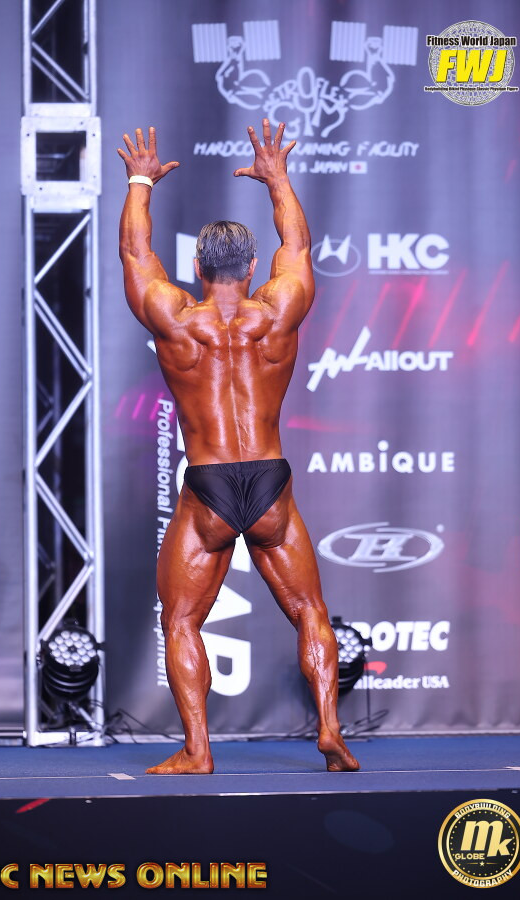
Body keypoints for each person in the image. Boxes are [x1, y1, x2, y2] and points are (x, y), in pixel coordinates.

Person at [117, 119, 360, 775]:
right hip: (271, 481)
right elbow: (297, 243)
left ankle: (198, 751)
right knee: (310, 610)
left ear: (196, 268)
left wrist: (140, 181)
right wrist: (277, 176)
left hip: (210, 486)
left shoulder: (175, 319)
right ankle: (331, 731)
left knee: (181, 621)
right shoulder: (278, 310)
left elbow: (136, 254)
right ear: (253, 268)